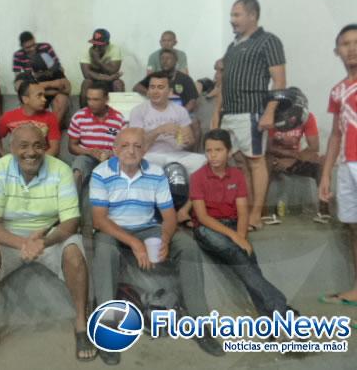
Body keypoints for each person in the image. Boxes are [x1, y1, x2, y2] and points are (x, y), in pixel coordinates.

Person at [90, 128, 223, 365]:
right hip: (113, 228)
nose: (131, 151)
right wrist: (134, 244)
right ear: (115, 149)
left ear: (145, 149)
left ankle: (200, 323)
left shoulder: (155, 173)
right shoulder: (101, 173)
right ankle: (106, 326)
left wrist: (166, 237)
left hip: (147, 226)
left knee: (187, 246)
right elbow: (99, 219)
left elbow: (169, 215)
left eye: (138, 146)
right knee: (104, 249)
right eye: (125, 145)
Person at [0, 124, 95, 369]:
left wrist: (43, 241)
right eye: (24, 146)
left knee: (74, 252)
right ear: (11, 148)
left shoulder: (60, 170)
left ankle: (81, 322)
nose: (31, 152)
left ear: (46, 147)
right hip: (8, 237)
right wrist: (24, 243)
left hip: (49, 235)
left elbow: (70, 222)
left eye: (38, 145)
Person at [191, 129, 295, 322]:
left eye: (218, 150)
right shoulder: (198, 177)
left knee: (247, 260)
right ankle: (281, 308)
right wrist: (236, 237)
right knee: (238, 253)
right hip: (207, 230)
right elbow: (203, 217)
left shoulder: (237, 175)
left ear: (229, 152)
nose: (213, 155)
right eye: (209, 150)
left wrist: (241, 234)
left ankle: (268, 320)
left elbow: (242, 212)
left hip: (233, 226)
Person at [212, 0, 286, 231]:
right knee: (240, 164)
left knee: (255, 162)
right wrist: (217, 113)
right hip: (230, 113)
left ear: (252, 15)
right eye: (231, 15)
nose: (232, 20)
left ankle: (256, 215)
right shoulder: (233, 45)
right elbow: (224, 82)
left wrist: (269, 112)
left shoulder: (268, 41)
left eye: (237, 15)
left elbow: (280, 81)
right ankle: (246, 211)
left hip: (252, 111)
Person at [129, 71, 206, 225]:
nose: (155, 91)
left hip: (177, 154)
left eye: (160, 87)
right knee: (142, 162)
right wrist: (158, 130)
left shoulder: (180, 111)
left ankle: (185, 209)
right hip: (150, 154)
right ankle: (153, 212)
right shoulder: (139, 111)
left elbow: (189, 141)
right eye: (152, 87)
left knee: (203, 161)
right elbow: (136, 144)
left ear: (169, 91)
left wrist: (188, 139)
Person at [318, 24, 357, 306]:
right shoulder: (338, 91)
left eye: (356, 42)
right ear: (337, 51)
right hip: (346, 165)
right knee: (353, 228)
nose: (352, 48)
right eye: (345, 44)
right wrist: (326, 175)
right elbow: (335, 134)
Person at [264, 112, 330, 224]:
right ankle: (263, 211)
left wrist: (294, 159)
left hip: (295, 158)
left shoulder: (306, 117)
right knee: (266, 161)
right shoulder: (273, 115)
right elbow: (267, 147)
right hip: (275, 158)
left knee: (322, 162)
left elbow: (314, 147)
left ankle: (324, 212)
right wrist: (287, 156)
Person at [68, 82, 125, 194]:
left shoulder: (118, 119)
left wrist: (110, 154)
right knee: (78, 168)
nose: (91, 103)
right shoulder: (79, 116)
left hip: (110, 158)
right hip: (87, 157)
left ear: (106, 99)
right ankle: (72, 205)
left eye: (96, 99)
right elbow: (71, 147)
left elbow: (124, 147)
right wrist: (89, 152)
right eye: (89, 99)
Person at [13, 31, 70, 125]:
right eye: (28, 47)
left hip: (47, 90)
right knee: (28, 98)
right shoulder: (19, 57)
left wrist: (46, 86)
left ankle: (53, 129)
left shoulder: (46, 50)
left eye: (33, 45)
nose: (32, 49)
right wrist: (47, 87)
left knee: (62, 99)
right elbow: (19, 85)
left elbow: (66, 88)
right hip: (36, 91)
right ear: (22, 46)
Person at [0, 79, 61, 157]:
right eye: (39, 95)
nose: (44, 99)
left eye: (44, 95)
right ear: (25, 99)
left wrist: (38, 162)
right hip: (18, 161)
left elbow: (54, 148)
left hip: (42, 160)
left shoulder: (50, 117)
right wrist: (4, 156)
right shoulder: (8, 117)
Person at [79, 28, 123, 107]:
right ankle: (84, 114)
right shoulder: (86, 51)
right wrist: (107, 78)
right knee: (86, 83)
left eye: (100, 45)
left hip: (109, 81)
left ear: (107, 43)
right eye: (94, 44)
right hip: (95, 81)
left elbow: (113, 70)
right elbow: (86, 74)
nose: (96, 47)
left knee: (118, 83)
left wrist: (98, 61)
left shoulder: (114, 49)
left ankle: (117, 113)